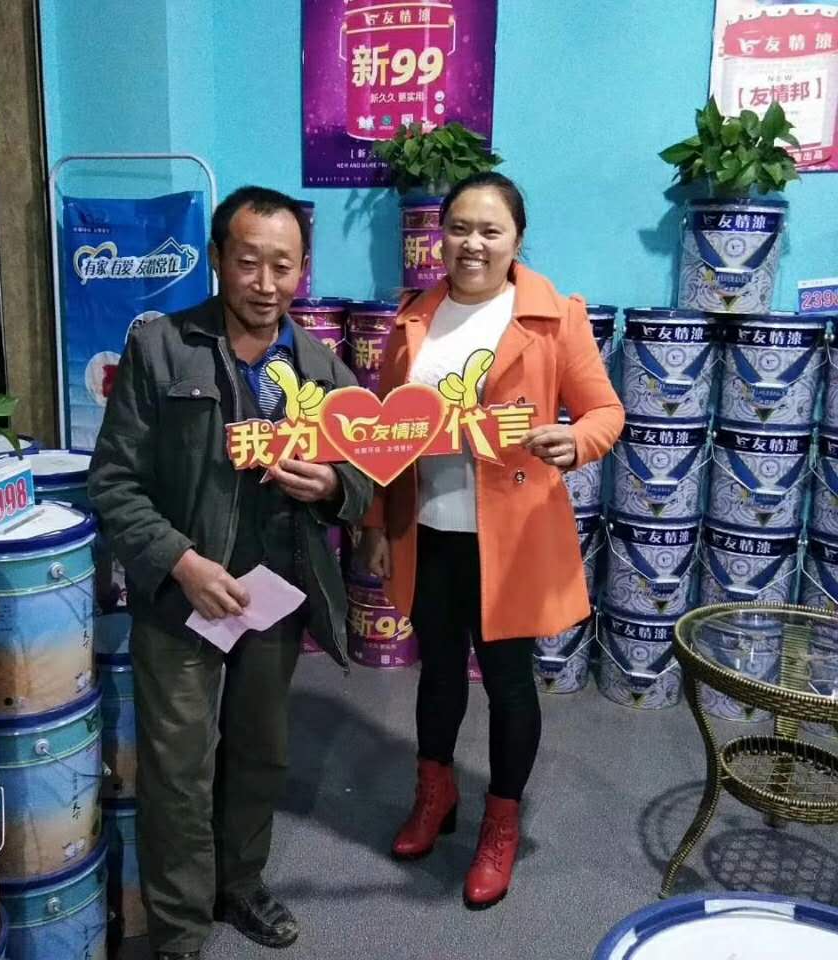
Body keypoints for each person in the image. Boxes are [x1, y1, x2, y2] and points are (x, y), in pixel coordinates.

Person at [89, 186, 373, 959]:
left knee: (259, 753)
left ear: (303, 270)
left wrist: (333, 485)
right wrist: (181, 563)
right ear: (217, 259)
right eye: (249, 262)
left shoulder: (323, 370)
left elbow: (365, 479)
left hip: (275, 596)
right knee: (179, 768)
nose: (266, 283)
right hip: (183, 598)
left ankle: (239, 884)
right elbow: (113, 482)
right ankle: (180, 930)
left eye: (284, 265)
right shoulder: (160, 348)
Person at [361, 171, 624, 909]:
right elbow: (383, 435)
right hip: (428, 530)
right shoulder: (413, 319)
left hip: (509, 538)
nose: (471, 243)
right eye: (458, 228)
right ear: (438, 236)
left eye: (490, 230)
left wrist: (577, 442)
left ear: (516, 240)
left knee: (508, 682)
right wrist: (376, 523)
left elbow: (605, 411)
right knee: (438, 673)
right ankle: (434, 793)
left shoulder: (553, 317)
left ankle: (500, 825)